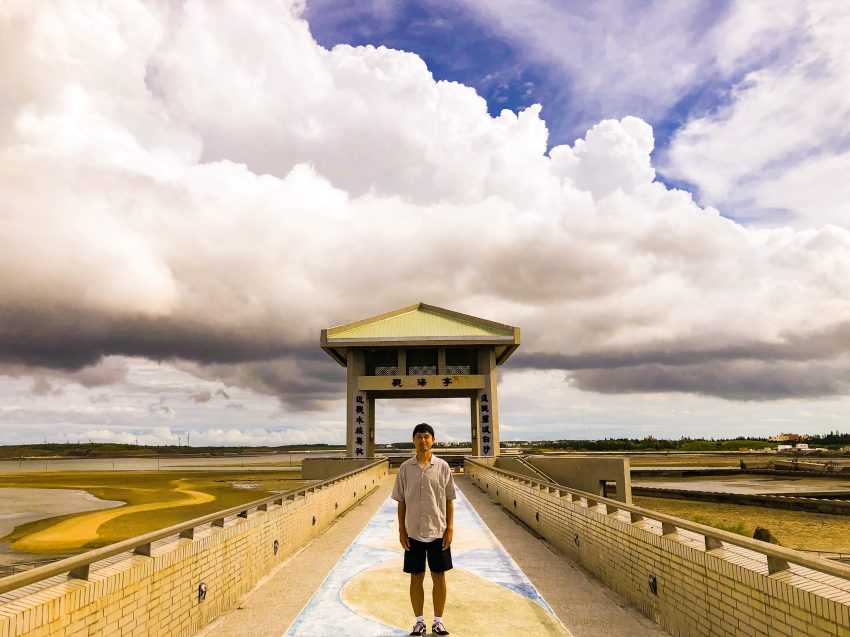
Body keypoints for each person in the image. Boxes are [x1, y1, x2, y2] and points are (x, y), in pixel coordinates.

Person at [391, 423, 456, 636]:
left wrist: (450, 528)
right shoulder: (405, 468)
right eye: (419, 436)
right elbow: (401, 501)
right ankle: (419, 622)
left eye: (427, 436)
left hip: (438, 531)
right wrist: (401, 530)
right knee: (416, 577)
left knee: (439, 577)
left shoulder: (443, 467)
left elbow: (449, 499)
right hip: (413, 533)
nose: (423, 440)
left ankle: (438, 621)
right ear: (413, 440)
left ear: (433, 440)